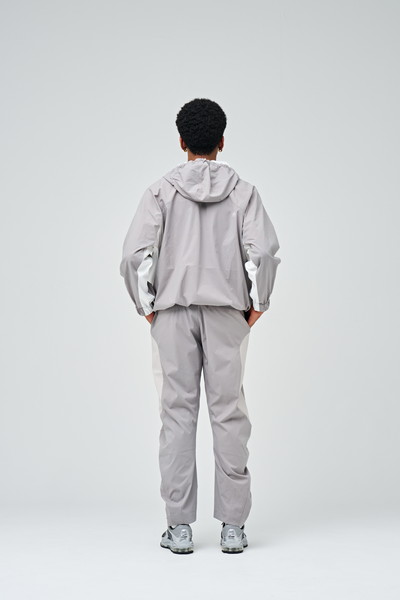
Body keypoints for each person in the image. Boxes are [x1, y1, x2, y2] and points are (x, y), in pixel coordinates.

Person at [119, 98, 281, 554]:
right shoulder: (243, 192)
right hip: (228, 314)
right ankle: (233, 527)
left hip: (172, 314)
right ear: (221, 142)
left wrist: (148, 309)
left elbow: (133, 256)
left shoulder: (160, 192)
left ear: (182, 142)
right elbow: (263, 253)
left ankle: (179, 528)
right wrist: (257, 305)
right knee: (229, 414)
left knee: (177, 415)